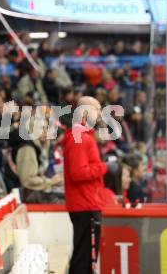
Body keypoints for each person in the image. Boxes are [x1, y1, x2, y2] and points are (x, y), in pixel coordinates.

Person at [62, 96, 107, 274]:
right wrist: (104, 167)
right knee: (85, 258)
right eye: (97, 110)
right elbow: (78, 173)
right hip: (85, 204)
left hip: (85, 203)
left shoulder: (82, 137)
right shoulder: (80, 138)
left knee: (86, 256)